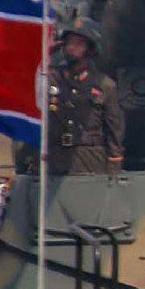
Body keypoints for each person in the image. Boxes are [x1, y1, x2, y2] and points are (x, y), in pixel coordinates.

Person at [44, 19, 124, 175]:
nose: (71, 48)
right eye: (69, 43)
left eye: (78, 44)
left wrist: (114, 166)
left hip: (90, 160)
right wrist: (45, 55)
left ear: (90, 50)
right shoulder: (51, 79)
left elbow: (115, 131)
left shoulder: (104, 86)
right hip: (56, 160)